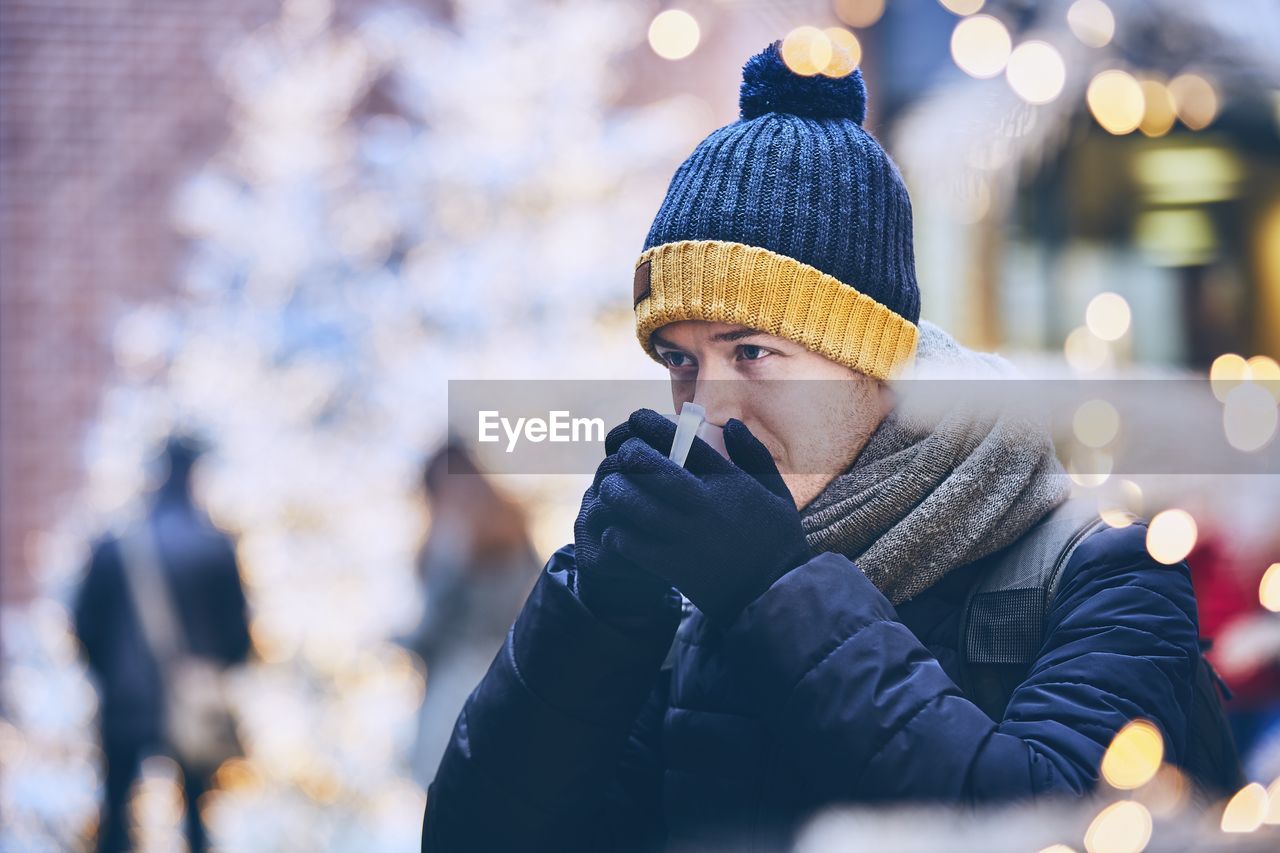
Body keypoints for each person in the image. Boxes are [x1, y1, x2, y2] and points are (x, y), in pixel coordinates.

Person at [420, 42, 1204, 851]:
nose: (709, 403)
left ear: (874, 364)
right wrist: (594, 614)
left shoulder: (1103, 571)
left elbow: (1050, 826)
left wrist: (777, 591)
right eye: (680, 361)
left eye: (752, 351)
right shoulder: (690, 606)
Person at [74, 436, 250, 852]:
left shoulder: (114, 544)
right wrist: (206, 676)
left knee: (116, 817)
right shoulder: (214, 546)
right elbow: (238, 636)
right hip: (192, 704)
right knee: (196, 822)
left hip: (125, 703)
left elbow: (85, 625)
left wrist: (112, 677)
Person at [402, 440, 540, 787]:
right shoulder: (514, 528)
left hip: (467, 685)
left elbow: (436, 626)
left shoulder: (454, 541)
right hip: (511, 677)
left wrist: (403, 640)